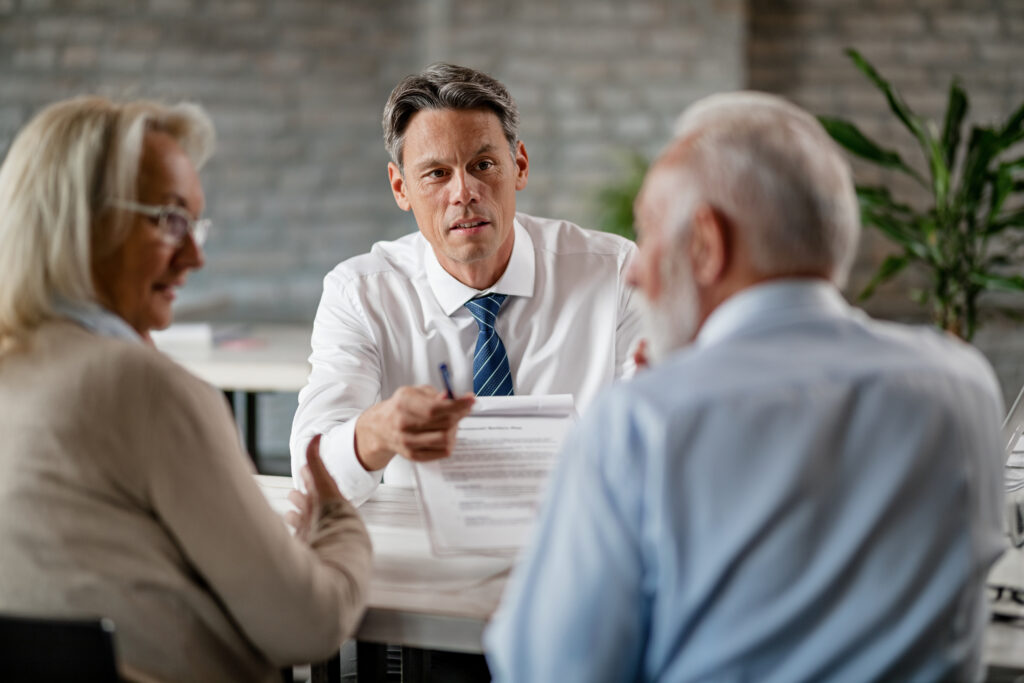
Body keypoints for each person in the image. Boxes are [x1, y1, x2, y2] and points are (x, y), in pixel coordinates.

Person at [485, 92, 1007, 682]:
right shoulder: (963, 385)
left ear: (707, 243)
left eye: (649, 230)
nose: (634, 270)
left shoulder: (642, 422)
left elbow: (548, 670)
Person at [0, 96, 372, 683]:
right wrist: (336, 520)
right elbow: (309, 625)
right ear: (83, 219)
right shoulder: (144, 388)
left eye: (195, 223)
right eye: (170, 219)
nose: (196, 256)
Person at [290, 63, 642, 505]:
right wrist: (374, 433)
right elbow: (311, 477)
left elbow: (656, 445)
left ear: (519, 166)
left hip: (580, 535)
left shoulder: (614, 272)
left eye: (484, 164)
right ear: (401, 188)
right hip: (423, 553)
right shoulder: (361, 294)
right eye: (436, 173)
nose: (464, 191)